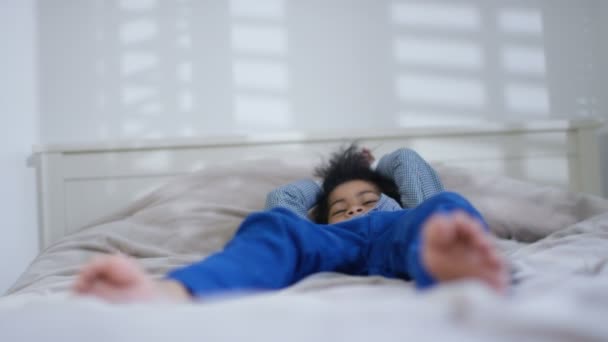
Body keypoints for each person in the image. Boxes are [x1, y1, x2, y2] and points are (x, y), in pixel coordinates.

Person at [73, 146, 507, 302]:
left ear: (390, 196)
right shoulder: (320, 224)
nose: (354, 207)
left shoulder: (408, 208)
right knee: (274, 224)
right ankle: (175, 291)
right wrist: (328, 183)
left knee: (446, 206)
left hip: (404, 235)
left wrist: (375, 166)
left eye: (367, 199)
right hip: (334, 248)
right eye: (339, 204)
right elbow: (285, 202)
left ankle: (454, 266)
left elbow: (410, 164)